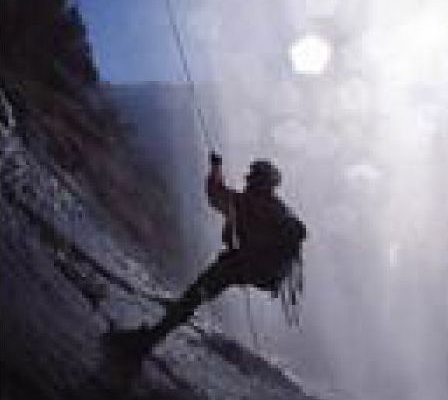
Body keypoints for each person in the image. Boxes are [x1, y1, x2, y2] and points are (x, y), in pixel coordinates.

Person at [106, 151, 307, 360]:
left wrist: (216, 167)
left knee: (194, 295)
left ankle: (148, 340)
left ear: (261, 182)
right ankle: (154, 335)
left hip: (246, 268)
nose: (248, 180)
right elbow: (218, 194)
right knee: (197, 293)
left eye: (253, 177)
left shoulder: (255, 205)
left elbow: (215, 194)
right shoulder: (270, 207)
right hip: (259, 271)